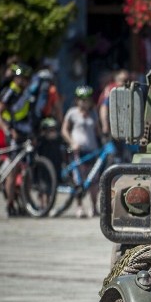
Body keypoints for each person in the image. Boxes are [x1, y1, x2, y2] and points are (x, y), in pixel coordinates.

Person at [0, 62, 33, 217]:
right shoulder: (10, 91)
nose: (25, 81)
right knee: (13, 169)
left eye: (27, 78)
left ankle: (26, 203)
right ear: (17, 78)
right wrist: (7, 130)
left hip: (26, 133)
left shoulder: (27, 93)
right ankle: (10, 204)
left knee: (28, 169)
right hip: (13, 134)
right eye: (23, 78)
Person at [61, 85, 101, 218]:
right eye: (82, 99)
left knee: (93, 181)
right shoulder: (72, 113)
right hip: (78, 151)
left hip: (92, 150)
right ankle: (80, 207)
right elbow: (64, 130)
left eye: (87, 99)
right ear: (77, 100)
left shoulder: (93, 113)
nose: (84, 102)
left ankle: (94, 208)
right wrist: (72, 142)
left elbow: (97, 131)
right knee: (78, 180)